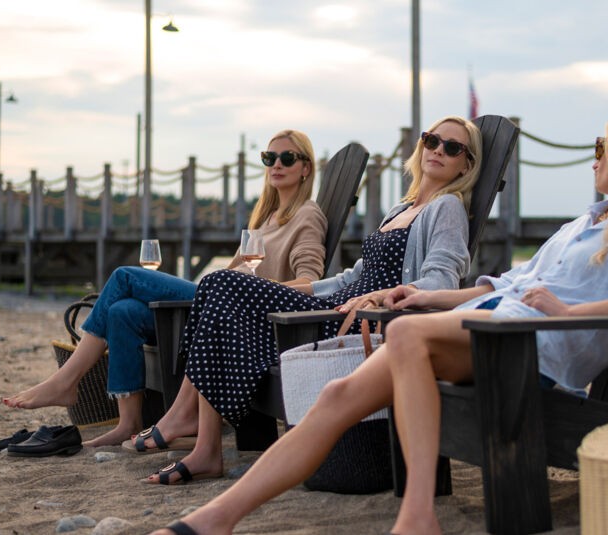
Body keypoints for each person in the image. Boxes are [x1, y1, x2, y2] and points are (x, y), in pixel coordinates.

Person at [148, 109, 608, 534]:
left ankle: (416, 517)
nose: (594, 157)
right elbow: (503, 284)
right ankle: (216, 518)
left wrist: (571, 311)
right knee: (338, 396)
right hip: (488, 323)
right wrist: (425, 296)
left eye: (603, 147)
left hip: (524, 348)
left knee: (404, 332)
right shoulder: (585, 222)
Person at [131, 116, 482, 488]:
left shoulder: (448, 209)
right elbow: (352, 277)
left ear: (467, 164)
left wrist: (387, 295)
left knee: (220, 284)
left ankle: (200, 440)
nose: (439, 151)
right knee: (218, 288)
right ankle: (203, 442)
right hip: (331, 307)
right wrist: (298, 290)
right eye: (432, 140)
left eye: (453, 148)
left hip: (354, 322)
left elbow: (442, 278)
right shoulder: (400, 209)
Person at [2, 129, 328, 447]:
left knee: (124, 277)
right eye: (269, 157)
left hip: (241, 314)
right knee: (122, 311)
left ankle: (66, 381)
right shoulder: (266, 219)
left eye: (287, 157)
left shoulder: (307, 215)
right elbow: (230, 273)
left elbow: (310, 281)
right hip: (215, 305)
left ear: (306, 168)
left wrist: (259, 290)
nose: (277, 164)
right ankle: (128, 422)